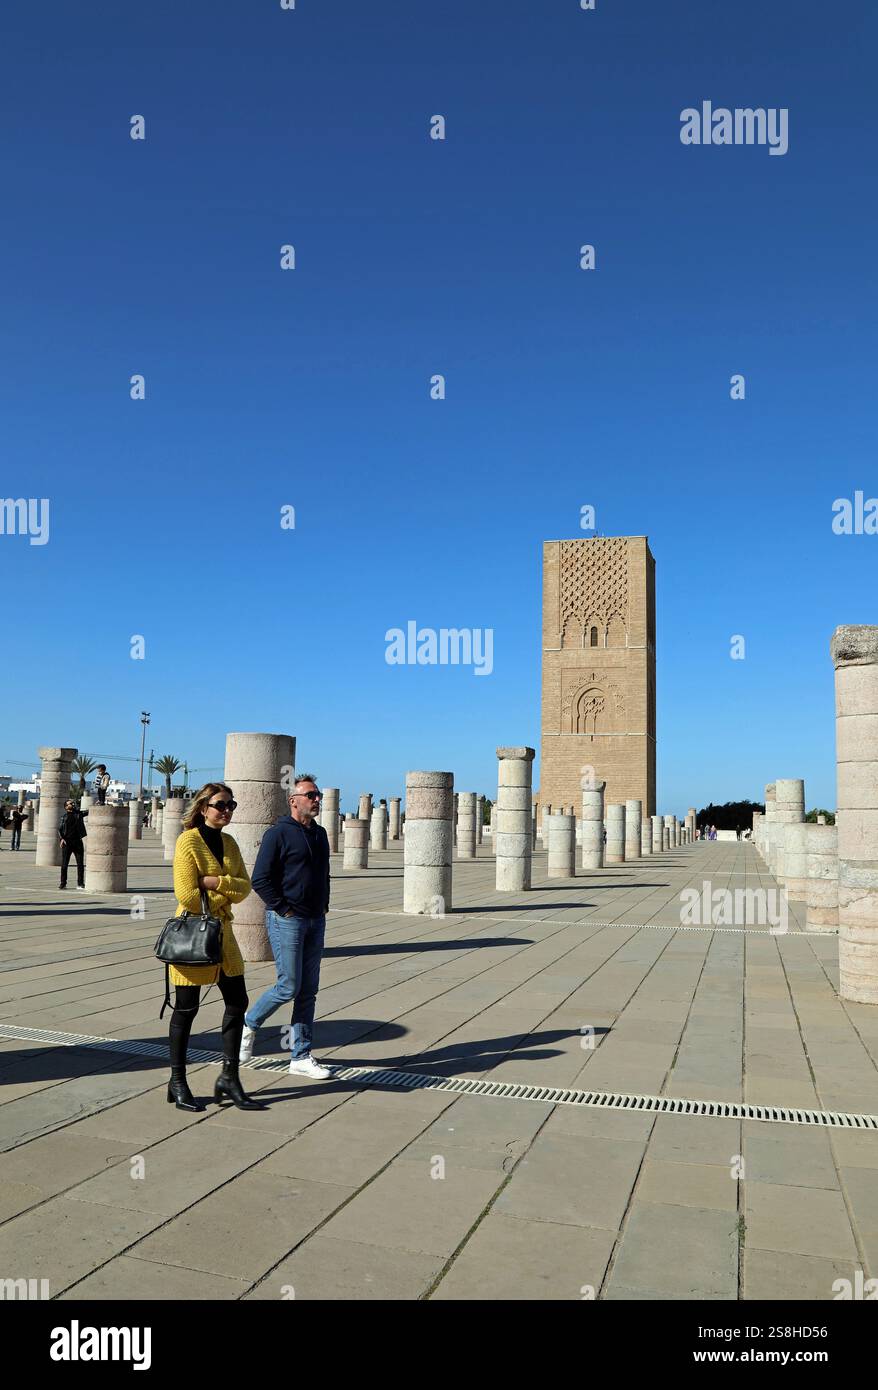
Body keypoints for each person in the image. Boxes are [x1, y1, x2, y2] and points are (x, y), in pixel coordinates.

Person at [166, 783, 264, 1112]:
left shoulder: (229, 843)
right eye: (221, 804)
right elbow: (187, 895)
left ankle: (229, 1076)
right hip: (193, 933)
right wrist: (225, 890)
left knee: (238, 1001)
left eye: (231, 805)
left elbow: (244, 887)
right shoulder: (188, 841)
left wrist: (213, 882)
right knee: (186, 1008)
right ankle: (177, 1081)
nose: (227, 811)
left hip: (223, 933)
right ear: (204, 806)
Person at [242, 773, 332, 1078]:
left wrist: (324, 905)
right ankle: (249, 1023)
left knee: (308, 991)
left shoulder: (320, 834)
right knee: (289, 986)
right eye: (311, 795)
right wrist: (284, 909)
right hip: (287, 921)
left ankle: (301, 1055)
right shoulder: (277, 834)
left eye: (318, 795)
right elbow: (260, 879)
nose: (317, 799)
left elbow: (323, 873)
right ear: (294, 801)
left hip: (315, 920)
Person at [59, 799, 87, 889]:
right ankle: (63, 883)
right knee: (64, 864)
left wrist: (97, 805)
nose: (72, 804)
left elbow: (87, 812)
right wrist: (62, 839)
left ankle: (80, 883)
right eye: (70, 803)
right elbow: (60, 829)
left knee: (80, 864)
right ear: (66, 807)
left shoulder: (78, 814)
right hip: (67, 842)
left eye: (73, 803)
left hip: (78, 841)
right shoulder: (64, 817)